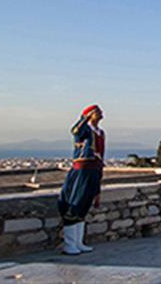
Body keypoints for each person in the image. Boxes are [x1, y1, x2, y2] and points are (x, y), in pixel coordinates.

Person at [57, 104, 105, 255]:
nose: (101, 114)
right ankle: (69, 243)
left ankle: (78, 242)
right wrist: (84, 118)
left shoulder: (100, 133)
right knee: (75, 203)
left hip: (94, 169)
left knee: (84, 205)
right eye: (97, 112)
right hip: (82, 170)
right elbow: (75, 131)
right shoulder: (85, 130)